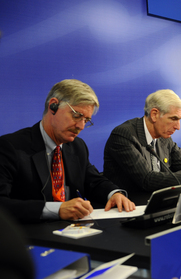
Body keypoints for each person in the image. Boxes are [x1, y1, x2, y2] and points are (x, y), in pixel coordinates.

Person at [0, 79, 135, 223]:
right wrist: (57, 210)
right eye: (77, 116)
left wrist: (113, 194)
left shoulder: (77, 146)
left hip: (73, 231)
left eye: (86, 120)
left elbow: (93, 181)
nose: (81, 126)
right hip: (31, 234)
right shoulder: (10, 147)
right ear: (53, 106)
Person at [103, 89, 181, 197]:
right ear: (154, 115)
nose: (178, 127)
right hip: (129, 208)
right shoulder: (124, 135)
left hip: (160, 202)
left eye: (179, 119)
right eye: (173, 118)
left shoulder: (164, 137)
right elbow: (147, 180)